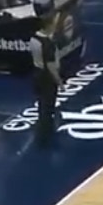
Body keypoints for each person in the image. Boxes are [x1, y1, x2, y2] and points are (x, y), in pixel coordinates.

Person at [28, 13, 63, 148]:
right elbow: (51, 66)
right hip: (47, 77)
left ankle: (42, 132)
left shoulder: (34, 38)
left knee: (42, 104)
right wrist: (59, 81)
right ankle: (45, 136)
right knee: (48, 107)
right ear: (48, 26)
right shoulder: (49, 44)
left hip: (36, 73)